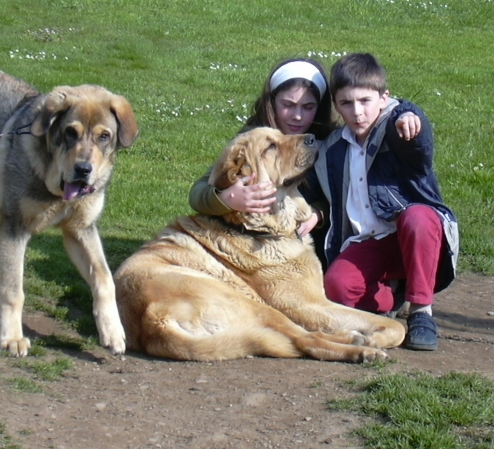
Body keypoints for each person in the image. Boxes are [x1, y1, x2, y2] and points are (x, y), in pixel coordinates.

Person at [299, 53, 459, 351]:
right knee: (338, 287)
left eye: (365, 101)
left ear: (383, 98)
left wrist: (410, 115)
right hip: (367, 243)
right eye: (346, 103)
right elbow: (316, 190)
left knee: (419, 216)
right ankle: (393, 295)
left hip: (413, 237)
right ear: (336, 105)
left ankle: (421, 310)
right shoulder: (332, 149)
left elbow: (418, 148)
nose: (357, 112)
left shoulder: (396, 129)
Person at [188, 58, 335, 231]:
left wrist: (318, 213)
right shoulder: (255, 141)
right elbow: (199, 192)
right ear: (272, 102)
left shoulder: (333, 141)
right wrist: (228, 199)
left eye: (308, 107)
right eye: (288, 105)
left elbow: (351, 198)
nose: (297, 116)